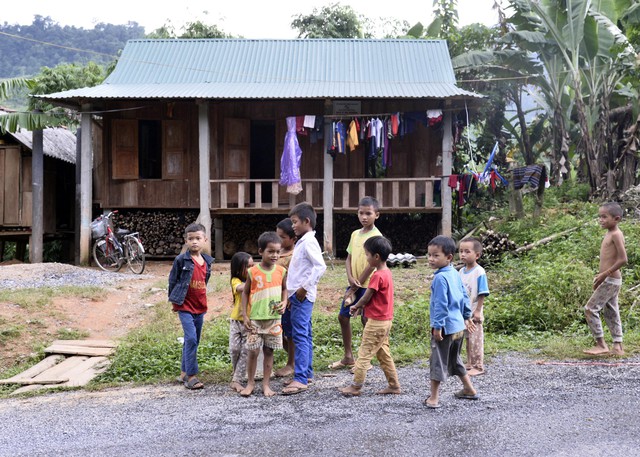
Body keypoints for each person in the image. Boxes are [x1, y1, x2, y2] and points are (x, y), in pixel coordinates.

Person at [338, 236, 401, 396]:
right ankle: (394, 385)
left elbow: (367, 295)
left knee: (364, 353)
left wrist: (356, 305)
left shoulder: (377, 275)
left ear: (376, 257)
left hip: (376, 322)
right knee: (383, 354)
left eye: (367, 255)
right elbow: (375, 298)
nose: (366, 258)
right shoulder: (387, 273)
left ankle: (356, 386)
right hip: (386, 321)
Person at [329, 196, 382, 371]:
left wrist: (356, 285)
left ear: (377, 215)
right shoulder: (355, 234)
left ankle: (366, 360)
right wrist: (350, 278)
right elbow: (349, 257)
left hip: (369, 285)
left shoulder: (376, 236)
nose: (364, 217)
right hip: (354, 284)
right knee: (343, 316)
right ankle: (348, 356)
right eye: (361, 213)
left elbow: (371, 264)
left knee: (367, 320)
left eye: (368, 213)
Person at [425, 235, 478, 409]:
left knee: (438, 360)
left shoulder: (440, 278)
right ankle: (469, 389)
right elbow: (464, 296)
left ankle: (433, 398)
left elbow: (441, 304)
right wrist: (466, 315)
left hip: (446, 327)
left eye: (435, 255)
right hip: (458, 327)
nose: (431, 259)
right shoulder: (455, 273)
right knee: (455, 360)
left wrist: (438, 327)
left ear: (448, 257)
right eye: (429, 255)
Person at [282, 202, 327, 395]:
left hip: (303, 295)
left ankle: (300, 378)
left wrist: (303, 287)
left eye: (295, 222)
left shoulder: (309, 242)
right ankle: (306, 373)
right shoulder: (303, 241)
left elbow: (320, 266)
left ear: (306, 221)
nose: (292, 226)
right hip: (297, 295)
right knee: (304, 334)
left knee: (300, 335)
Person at [240, 231, 288, 397]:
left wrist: (284, 302)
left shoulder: (281, 271)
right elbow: (245, 293)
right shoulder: (253, 272)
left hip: (274, 320)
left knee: (269, 351)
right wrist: (245, 315)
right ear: (260, 251)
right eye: (271, 251)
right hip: (255, 319)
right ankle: (250, 383)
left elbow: (284, 289)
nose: (275, 255)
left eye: (277, 251)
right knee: (253, 351)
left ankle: (266, 384)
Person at [168, 223, 214, 390]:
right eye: (191, 239)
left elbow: (204, 281)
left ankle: (183, 372)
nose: (194, 242)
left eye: (198, 238)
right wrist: (175, 302)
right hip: (185, 306)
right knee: (191, 338)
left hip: (200, 306)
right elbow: (172, 281)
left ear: (205, 240)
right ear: (185, 241)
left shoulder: (207, 262)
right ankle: (191, 376)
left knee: (193, 340)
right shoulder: (181, 260)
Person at [583, 202, 628, 356]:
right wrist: (601, 277)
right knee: (611, 311)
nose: (600, 220)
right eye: (599, 217)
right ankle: (618, 346)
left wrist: (604, 275)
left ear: (616, 219)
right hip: (609, 280)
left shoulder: (616, 234)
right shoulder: (609, 233)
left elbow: (623, 259)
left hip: (610, 280)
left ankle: (601, 344)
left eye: (604, 217)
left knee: (590, 309)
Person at [458, 237, 490, 376]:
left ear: (477, 255)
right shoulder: (460, 272)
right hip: (464, 314)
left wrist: (478, 310)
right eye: (460, 251)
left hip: (474, 313)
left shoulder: (479, 272)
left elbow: (482, 293)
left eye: (467, 251)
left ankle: (478, 366)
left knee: (476, 339)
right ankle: (470, 363)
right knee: (467, 339)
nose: (463, 254)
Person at [274, 218, 297, 378]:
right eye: (277, 236)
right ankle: (297, 359)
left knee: (290, 333)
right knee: (280, 333)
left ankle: (292, 363)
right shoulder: (277, 253)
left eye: (282, 237)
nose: (278, 239)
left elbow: (292, 278)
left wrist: (287, 297)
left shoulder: (293, 255)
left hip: (288, 299)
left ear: (293, 238)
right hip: (274, 298)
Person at [228, 251, 254, 392]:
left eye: (252, 266)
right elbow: (240, 289)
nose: (251, 269)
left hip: (249, 321)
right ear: (238, 269)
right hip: (236, 320)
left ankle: (236, 380)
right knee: (234, 349)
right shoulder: (236, 281)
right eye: (247, 267)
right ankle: (236, 373)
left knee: (245, 351)